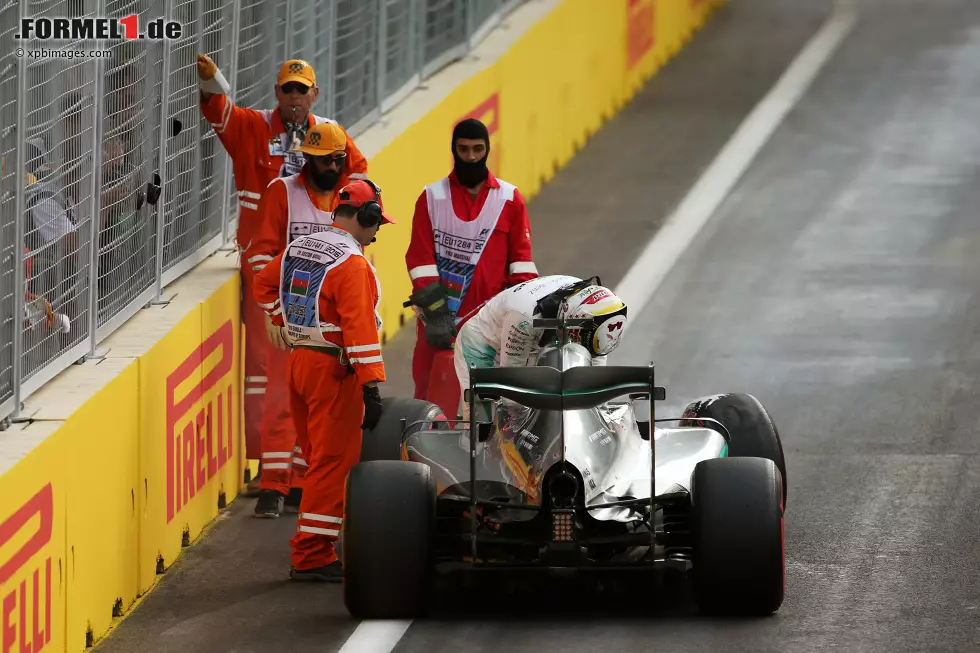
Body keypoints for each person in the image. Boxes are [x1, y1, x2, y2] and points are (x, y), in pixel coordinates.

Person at [195, 53, 368, 495]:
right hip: (268, 266)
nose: (294, 97)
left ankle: (298, 473)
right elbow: (219, 113)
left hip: (320, 274)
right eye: (287, 89)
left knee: (317, 372)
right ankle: (273, 473)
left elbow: (361, 177)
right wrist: (214, 79)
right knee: (269, 372)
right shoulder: (254, 127)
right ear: (278, 93)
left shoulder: (329, 135)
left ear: (315, 93)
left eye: (301, 89)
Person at [252, 179, 394, 581]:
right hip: (333, 370)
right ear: (364, 217)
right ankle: (312, 554)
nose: (379, 229)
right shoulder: (352, 265)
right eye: (377, 220)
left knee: (318, 460)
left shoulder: (301, 245)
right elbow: (360, 328)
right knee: (331, 462)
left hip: (299, 363)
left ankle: (318, 539)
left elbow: (264, 286)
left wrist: (280, 319)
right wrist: (371, 385)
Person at [243, 121, 351, 517]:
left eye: (331, 160)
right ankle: (273, 484)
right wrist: (273, 312)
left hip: (332, 324)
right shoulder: (282, 192)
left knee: (323, 407)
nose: (322, 167)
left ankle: (303, 484)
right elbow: (261, 254)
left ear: (342, 160)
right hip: (289, 318)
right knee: (280, 400)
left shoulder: (351, 197)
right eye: (315, 159)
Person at [404, 118, 538, 404]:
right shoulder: (430, 198)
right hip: (438, 322)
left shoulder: (510, 199)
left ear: (488, 149)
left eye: (478, 149)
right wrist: (437, 314)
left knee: (491, 400)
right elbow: (419, 258)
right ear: (454, 150)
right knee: (430, 396)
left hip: (490, 321)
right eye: (463, 150)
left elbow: (522, 264)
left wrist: (520, 312)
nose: (471, 157)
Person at [453, 275, 628, 415]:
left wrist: (600, 410)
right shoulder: (525, 317)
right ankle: (467, 444)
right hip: (482, 346)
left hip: (528, 343)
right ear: (572, 318)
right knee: (484, 421)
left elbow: (595, 370)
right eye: (581, 336)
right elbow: (512, 383)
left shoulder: (595, 311)